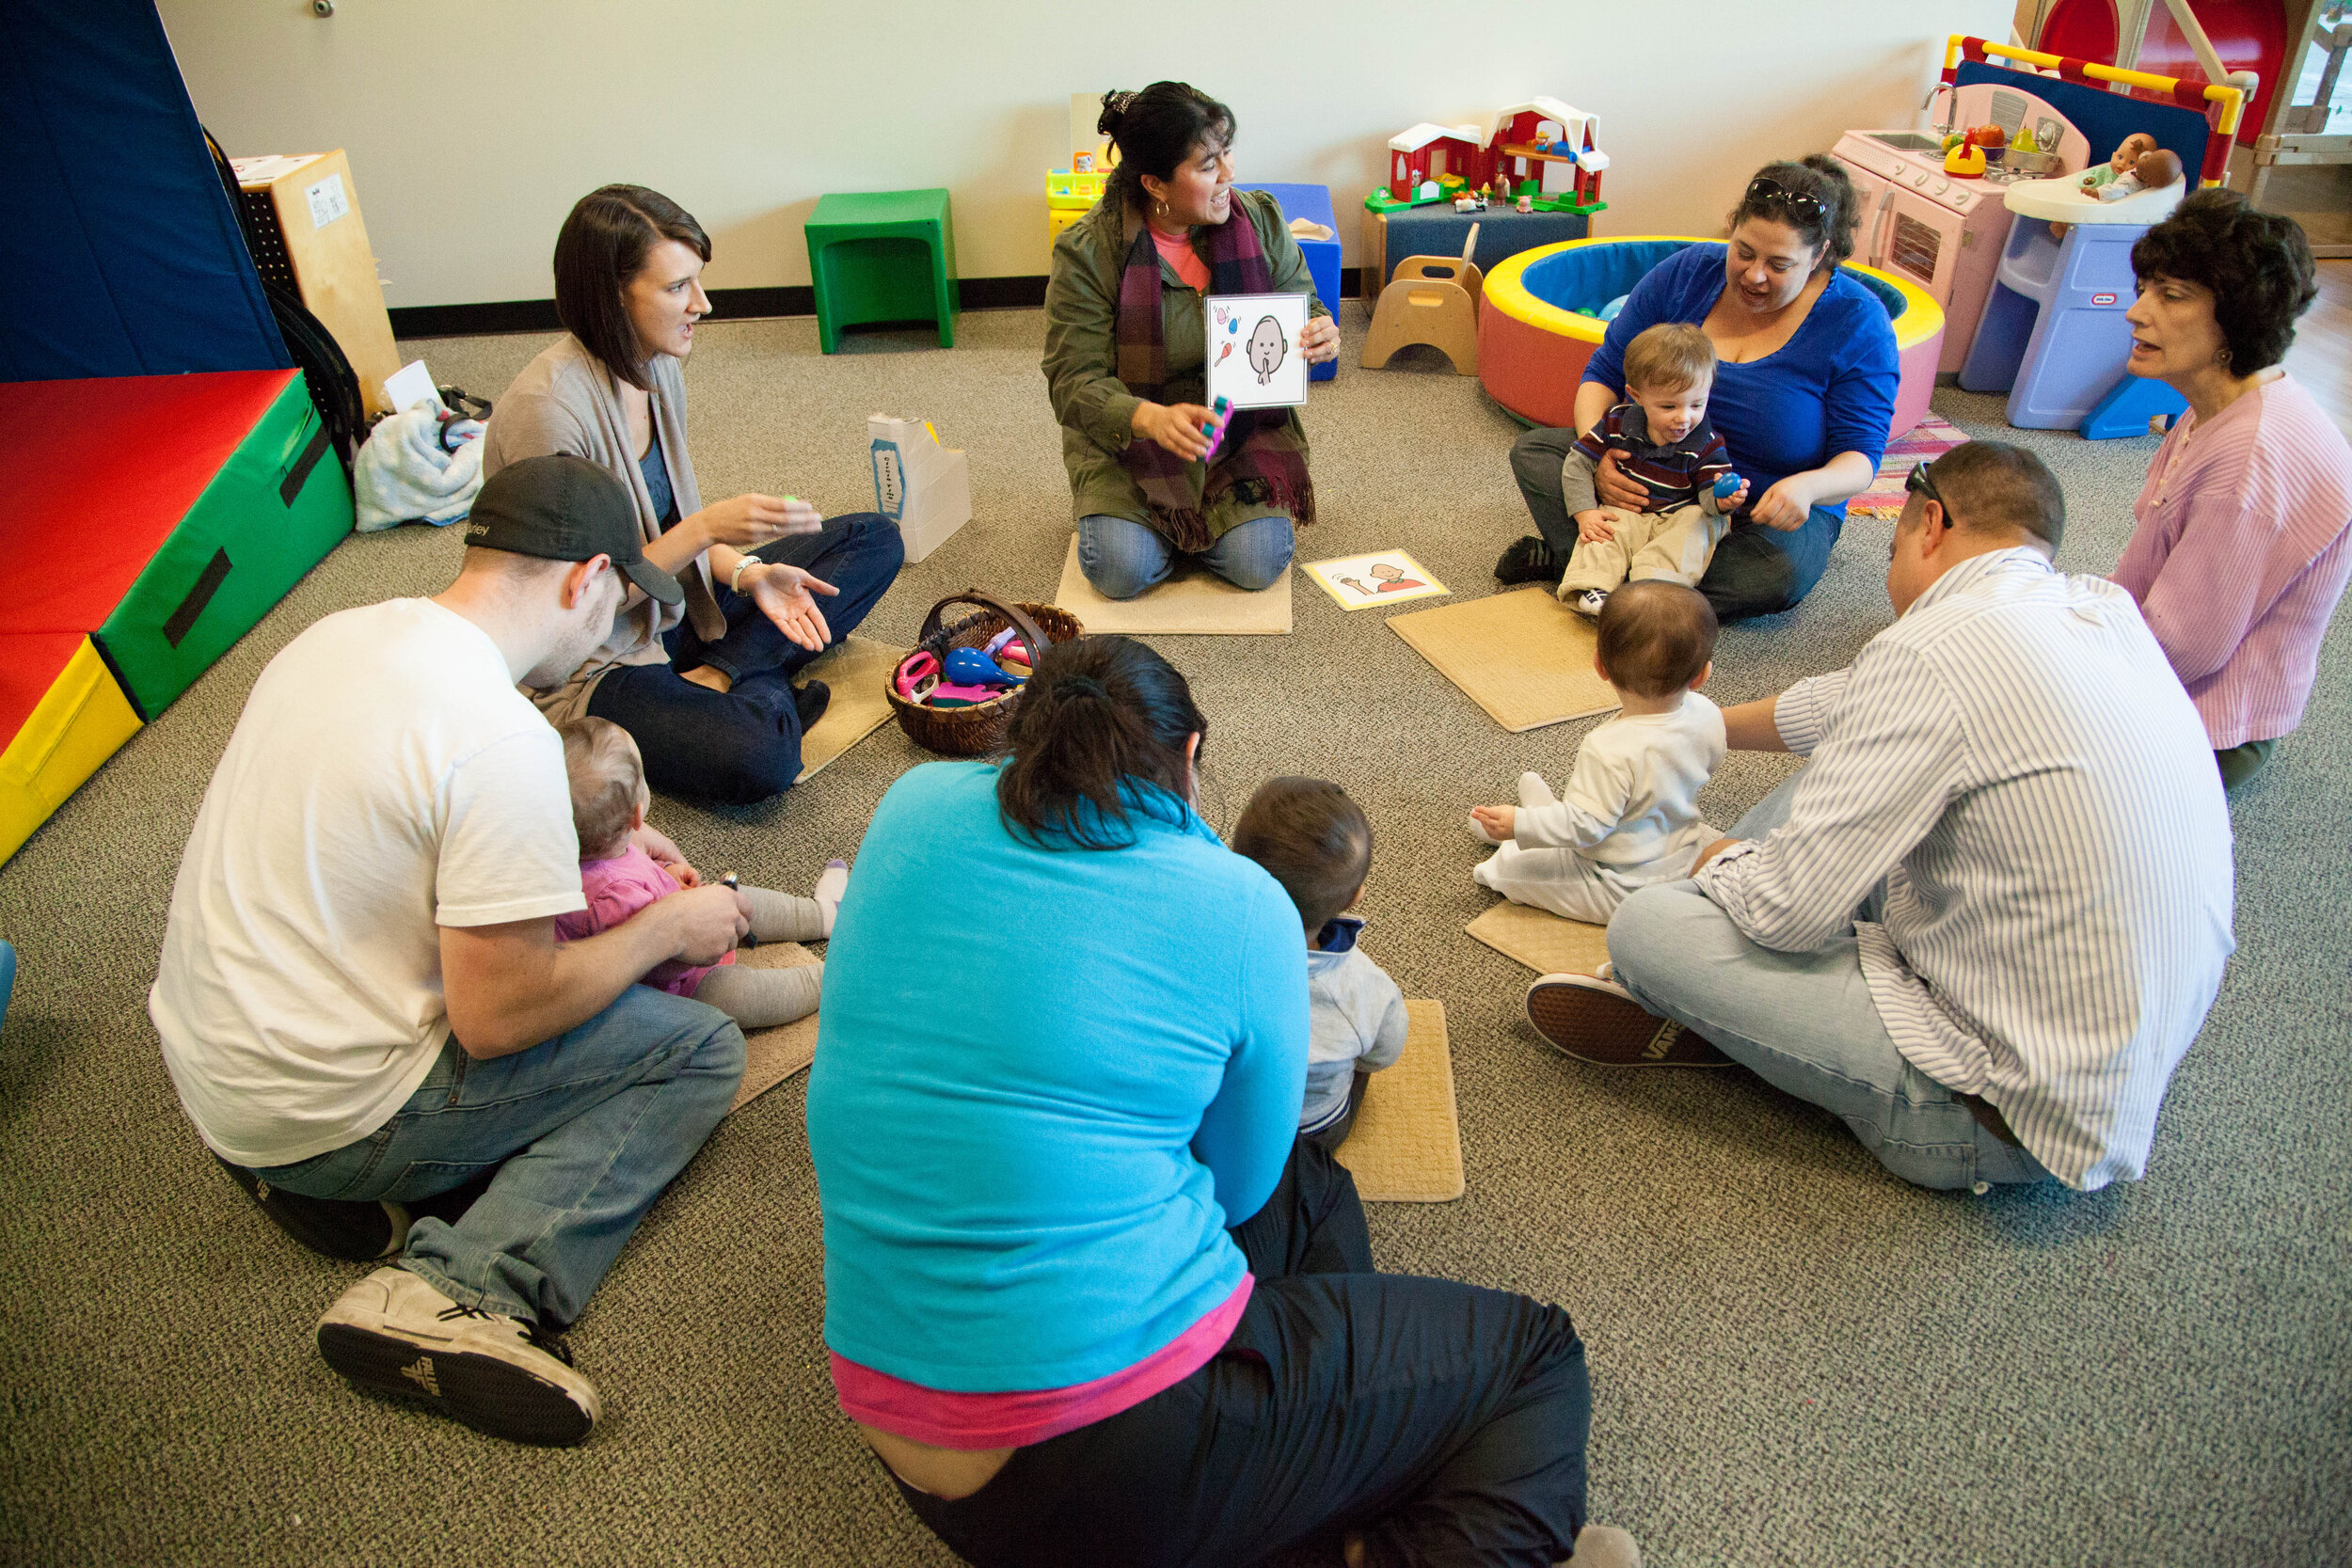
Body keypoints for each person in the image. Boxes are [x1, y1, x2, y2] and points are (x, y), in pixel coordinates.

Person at [806, 636, 1633, 1568]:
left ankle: (1299, 1471)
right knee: (1536, 1357)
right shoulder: (1243, 907)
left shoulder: (909, 801)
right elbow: (1239, 1189)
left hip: (898, 1418)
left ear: (1016, 734)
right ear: (1190, 754)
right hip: (1107, 1451)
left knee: (1314, 1185)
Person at [151, 456, 755, 1446]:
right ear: (583, 577)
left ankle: (322, 1183)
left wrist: (573, 844)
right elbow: (500, 1014)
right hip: (326, 1106)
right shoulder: (502, 741)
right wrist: (665, 927)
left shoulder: (338, 631)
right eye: (613, 603)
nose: (608, 629)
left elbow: (404, 822)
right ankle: (459, 1288)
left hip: (213, 1066)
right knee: (696, 1047)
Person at [1524, 443, 2234, 1194]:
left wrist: (1720, 860)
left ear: (1930, 523)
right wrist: (1677, 725)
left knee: (1647, 926)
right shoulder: (2095, 608)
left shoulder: (1935, 649)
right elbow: (1845, 704)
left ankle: (1724, 1011)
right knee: (1834, 785)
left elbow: (1784, 912)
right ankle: (1748, 998)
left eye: (1892, 546)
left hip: (1993, 1110)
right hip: (2105, 1052)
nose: (1892, 569)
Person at [484, 183, 905, 804]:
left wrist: (749, 575)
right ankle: (757, 676)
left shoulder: (657, 368)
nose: (701, 305)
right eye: (678, 286)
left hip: (677, 609)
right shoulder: (547, 414)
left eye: (696, 283)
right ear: (612, 295)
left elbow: (664, 531)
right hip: (596, 661)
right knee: (762, 756)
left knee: (874, 538)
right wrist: (705, 530)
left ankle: (724, 671)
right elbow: (566, 617)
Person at [1500, 156, 1899, 622]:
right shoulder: (1689, 271)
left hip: (1755, 508)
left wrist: (1808, 489)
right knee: (1538, 453)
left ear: (1818, 255)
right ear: (1731, 230)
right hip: (1653, 473)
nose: (1754, 275)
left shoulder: (1858, 321)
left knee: (1777, 572)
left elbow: (1861, 458)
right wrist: (1603, 454)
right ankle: (1639, 583)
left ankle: (1589, 567)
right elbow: (1604, 373)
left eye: (1779, 264)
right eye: (1744, 252)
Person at [1042, 82, 1341, 601]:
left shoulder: (1261, 219)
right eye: (1207, 166)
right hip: (1134, 439)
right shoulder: (1090, 251)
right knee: (1120, 571)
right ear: (1155, 184)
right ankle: (1157, 525)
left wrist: (1321, 334)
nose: (1229, 174)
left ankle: (1182, 529)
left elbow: (1304, 306)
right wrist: (1149, 419)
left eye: (1227, 153)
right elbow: (1074, 381)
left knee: (1257, 564)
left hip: (1237, 429)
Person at [2110, 189, 2352, 792]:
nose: (2137, 312)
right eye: (2146, 289)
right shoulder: (2219, 406)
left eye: (2172, 297)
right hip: (2165, 673)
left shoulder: (2247, 460)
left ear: (2236, 319)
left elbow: (2183, 650)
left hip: (2208, 726)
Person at [553, 717, 847, 1029]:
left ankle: (824, 915)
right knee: (736, 995)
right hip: (673, 986)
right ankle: (836, 980)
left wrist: (667, 873)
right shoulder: (612, 898)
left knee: (731, 895)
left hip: (669, 927)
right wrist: (703, 941)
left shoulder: (574, 853)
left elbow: (632, 871)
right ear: (637, 816)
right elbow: (655, 965)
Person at [1470, 582, 1724, 925]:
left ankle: (1531, 827)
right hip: (1684, 858)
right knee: (1573, 821)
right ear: (1702, 676)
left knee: (1510, 870)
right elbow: (1711, 760)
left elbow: (1589, 828)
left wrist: (1520, 825)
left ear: (1599, 666)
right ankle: (1546, 819)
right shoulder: (1708, 714)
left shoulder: (1609, 749)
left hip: (1619, 883)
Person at [1230, 776, 1409, 1152]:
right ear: (1354, 898)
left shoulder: (1200, 949)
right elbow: (1383, 1055)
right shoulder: (1366, 988)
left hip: (1226, 1122)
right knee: (1359, 1065)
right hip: (1311, 1131)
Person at [1551, 323, 1746, 618]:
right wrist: (1585, 513)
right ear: (1636, 396)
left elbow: (1708, 494)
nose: (1684, 418)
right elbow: (1578, 463)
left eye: (1697, 404)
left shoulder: (1707, 443)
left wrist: (1722, 501)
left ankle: (1654, 586)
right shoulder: (1617, 422)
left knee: (1698, 523)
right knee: (1605, 527)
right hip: (1628, 511)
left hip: (1678, 514)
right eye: (1669, 406)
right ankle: (1594, 584)